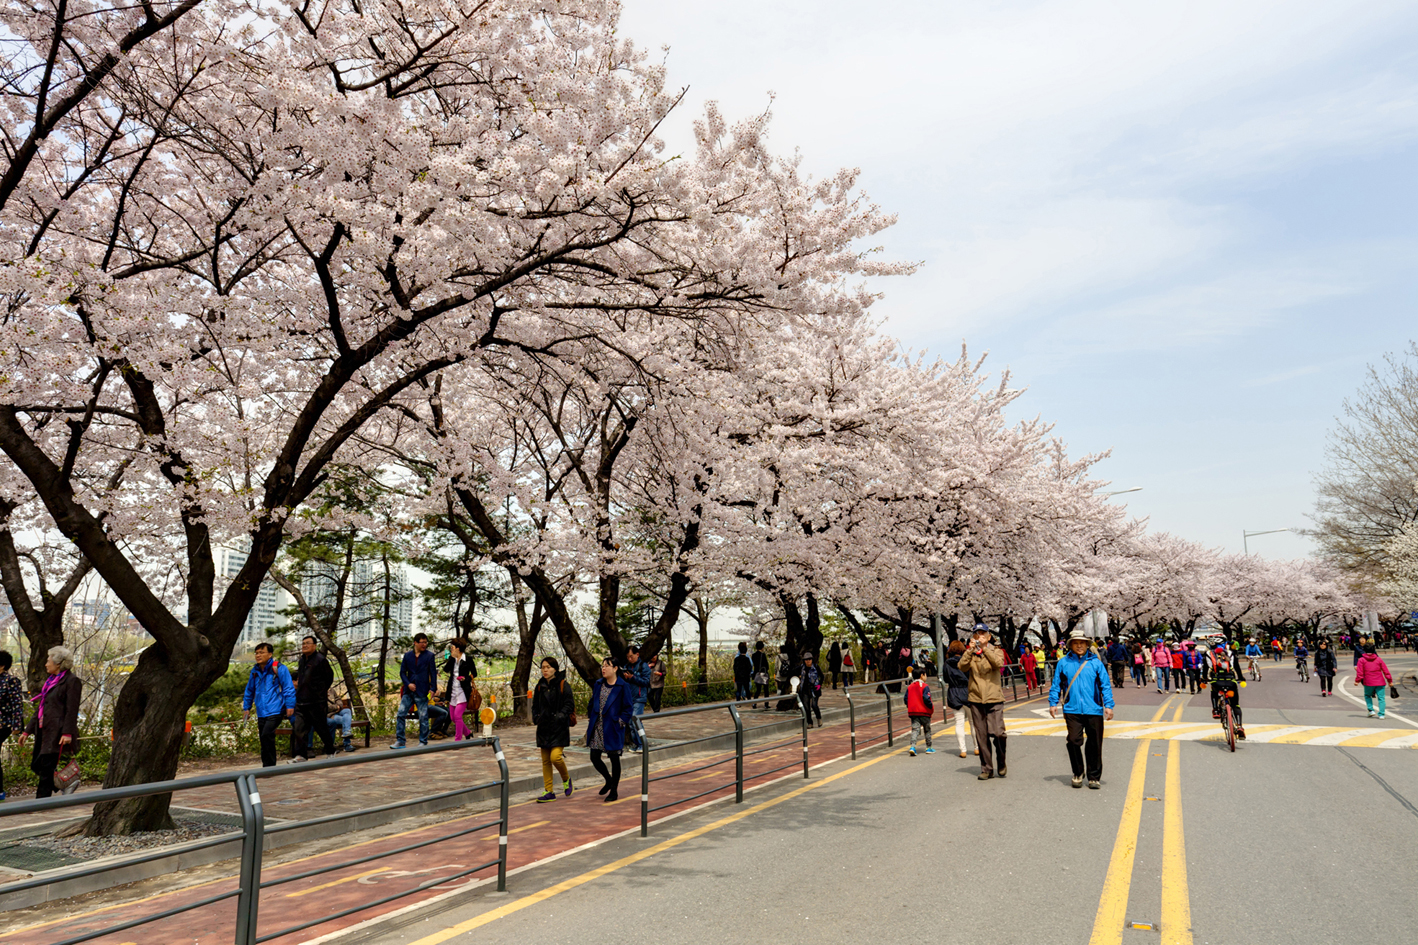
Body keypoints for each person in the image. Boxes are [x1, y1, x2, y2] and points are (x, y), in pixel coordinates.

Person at [1049, 629, 1115, 789]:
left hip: (1094, 709)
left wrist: (1108, 705)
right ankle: (1078, 772)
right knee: (1073, 741)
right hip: (1072, 709)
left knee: (1094, 744)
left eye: (1082, 643)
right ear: (1071, 645)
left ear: (1087, 644)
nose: (1079, 646)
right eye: (1076, 643)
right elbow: (1056, 684)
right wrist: (1053, 702)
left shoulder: (1096, 663)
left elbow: (1105, 685)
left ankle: (1094, 776)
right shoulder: (1063, 663)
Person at [19, 646, 82, 798]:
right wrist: (27, 730)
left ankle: (41, 803)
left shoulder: (72, 681)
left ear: (58, 663)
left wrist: (67, 732)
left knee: (46, 768)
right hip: (43, 730)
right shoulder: (50, 681)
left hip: (57, 731)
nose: (46, 664)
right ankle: (64, 782)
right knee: (37, 765)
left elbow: (71, 710)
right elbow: (42, 707)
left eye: (48, 661)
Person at [958, 624, 1007, 780]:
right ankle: (987, 768)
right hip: (976, 698)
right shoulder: (971, 653)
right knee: (981, 735)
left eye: (983, 633)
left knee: (998, 733)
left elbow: (998, 664)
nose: (979, 636)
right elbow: (962, 667)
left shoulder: (996, 651)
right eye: (977, 634)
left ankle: (1001, 760)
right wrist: (970, 650)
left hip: (994, 698)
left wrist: (985, 649)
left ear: (989, 636)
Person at [586, 657, 633, 802]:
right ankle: (608, 779)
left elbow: (628, 708)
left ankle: (614, 791)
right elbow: (592, 701)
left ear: (615, 668)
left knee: (614, 759)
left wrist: (620, 722)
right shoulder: (599, 684)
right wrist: (591, 714)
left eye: (607, 665)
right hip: (597, 726)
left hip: (612, 727)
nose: (603, 668)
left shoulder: (622, 686)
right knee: (594, 756)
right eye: (603, 665)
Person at [243, 642, 295, 768]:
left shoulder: (279, 668)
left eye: (262, 652)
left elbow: (288, 687)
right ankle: (266, 766)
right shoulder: (255, 671)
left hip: (276, 709)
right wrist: (246, 708)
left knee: (267, 735)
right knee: (263, 738)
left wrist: (290, 705)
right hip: (261, 710)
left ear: (270, 654)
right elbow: (249, 690)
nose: (258, 655)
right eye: (256, 653)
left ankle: (270, 766)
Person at [532, 657, 574, 801]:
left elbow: (569, 704)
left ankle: (566, 778)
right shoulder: (540, 686)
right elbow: (535, 706)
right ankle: (548, 791)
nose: (545, 670)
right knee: (545, 761)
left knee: (555, 757)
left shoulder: (563, 684)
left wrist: (560, 716)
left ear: (555, 668)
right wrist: (536, 717)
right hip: (543, 727)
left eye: (548, 667)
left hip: (558, 728)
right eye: (543, 667)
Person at [291, 635, 335, 762]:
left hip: (316, 702)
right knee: (299, 729)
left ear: (314, 645)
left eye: (308, 643)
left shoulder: (320, 660)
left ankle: (330, 750)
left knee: (321, 728)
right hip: (301, 701)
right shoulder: (301, 661)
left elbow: (329, 677)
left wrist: (319, 692)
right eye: (303, 643)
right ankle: (301, 755)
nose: (304, 645)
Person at [393, 633, 437, 749]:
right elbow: (402, 673)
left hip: (422, 690)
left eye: (426, 642)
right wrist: (408, 684)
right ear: (415, 643)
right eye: (422, 642)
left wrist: (433, 688)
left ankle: (423, 741)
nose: (424, 644)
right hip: (409, 691)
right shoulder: (407, 656)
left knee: (423, 717)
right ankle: (400, 741)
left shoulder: (429, 656)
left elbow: (433, 673)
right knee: (401, 714)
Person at [1208, 644, 1245, 739]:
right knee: (1235, 705)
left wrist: (1203, 679)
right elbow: (1238, 669)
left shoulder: (1212, 660)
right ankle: (1239, 726)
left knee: (1214, 691)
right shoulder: (1231, 658)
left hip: (1217, 683)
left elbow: (1205, 671)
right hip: (1231, 684)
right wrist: (1241, 678)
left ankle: (1216, 709)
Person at [0, 651, 23, 801]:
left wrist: (17, 726)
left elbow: (17, 704)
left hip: (3, 724)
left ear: (2, 666)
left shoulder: (11, 681)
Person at [444, 637, 477, 741]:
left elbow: (474, 674)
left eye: (452, 647)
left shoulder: (468, 659)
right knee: (453, 718)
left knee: (458, 716)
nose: (451, 649)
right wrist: (451, 658)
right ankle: (467, 732)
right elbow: (445, 670)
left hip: (463, 691)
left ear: (458, 648)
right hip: (452, 691)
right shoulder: (452, 659)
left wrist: (465, 678)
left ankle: (457, 740)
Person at [619, 645, 652, 747]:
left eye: (631, 656)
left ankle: (642, 744)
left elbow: (646, 681)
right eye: (628, 657)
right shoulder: (626, 666)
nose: (630, 659)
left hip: (639, 697)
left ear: (637, 654)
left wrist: (633, 677)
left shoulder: (643, 666)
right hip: (629, 698)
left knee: (635, 721)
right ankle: (637, 744)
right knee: (630, 722)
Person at [943, 641, 971, 758]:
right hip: (968, 692)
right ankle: (976, 748)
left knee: (959, 723)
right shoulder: (967, 661)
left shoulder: (947, 664)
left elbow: (945, 679)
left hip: (954, 693)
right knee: (973, 723)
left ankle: (963, 750)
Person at [1355, 645, 1393, 719]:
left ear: (1365, 650)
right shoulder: (1379, 659)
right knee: (1381, 698)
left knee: (1367, 695)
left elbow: (1360, 672)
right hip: (1380, 682)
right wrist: (1389, 680)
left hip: (1368, 682)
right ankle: (1382, 714)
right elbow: (1386, 671)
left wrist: (1357, 681)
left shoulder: (1361, 660)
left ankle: (1371, 710)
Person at [905, 668, 935, 756]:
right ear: (922, 675)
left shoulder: (910, 686)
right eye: (925, 675)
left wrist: (910, 705)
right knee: (927, 729)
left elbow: (906, 698)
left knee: (915, 729)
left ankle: (913, 746)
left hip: (913, 712)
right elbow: (926, 698)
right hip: (924, 712)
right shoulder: (925, 686)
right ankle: (929, 747)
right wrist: (930, 706)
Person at [797, 651, 824, 727]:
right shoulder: (802, 668)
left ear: (812, 660)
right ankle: (810, 722)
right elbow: (793, 672)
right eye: (806, 659)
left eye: (809, 659)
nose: (808, 661)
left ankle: (819, 718)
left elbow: (822, 676)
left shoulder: (815, 667)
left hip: (814, 689)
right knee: (806, 707)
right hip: (805, 689)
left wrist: (819, 685)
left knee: (814, 705)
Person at [751, 641, 772, 709]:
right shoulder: (763, 655)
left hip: (757, 674)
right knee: (766, 690)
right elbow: (766, 665)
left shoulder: (753, 655)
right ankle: (766, 704)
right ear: (762, 647)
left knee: (758, 690)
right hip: (764, 674)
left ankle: (754, 703)